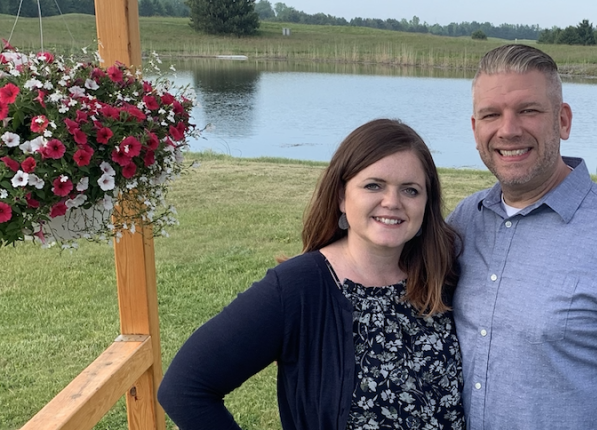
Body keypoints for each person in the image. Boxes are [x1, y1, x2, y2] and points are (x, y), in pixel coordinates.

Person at [158, 118, 465, 429]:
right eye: (374, 185)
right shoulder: (297, 288)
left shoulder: (441, 277)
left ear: (427, 204)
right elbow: (185, 388)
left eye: (410, 190)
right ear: (342, 197)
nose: (392, 202)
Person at [447, 44, 597, 429]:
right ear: (476, 129)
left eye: (528, 110)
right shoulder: (464, 221)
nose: (508, 130)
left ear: (563, 120)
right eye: (491, 114)